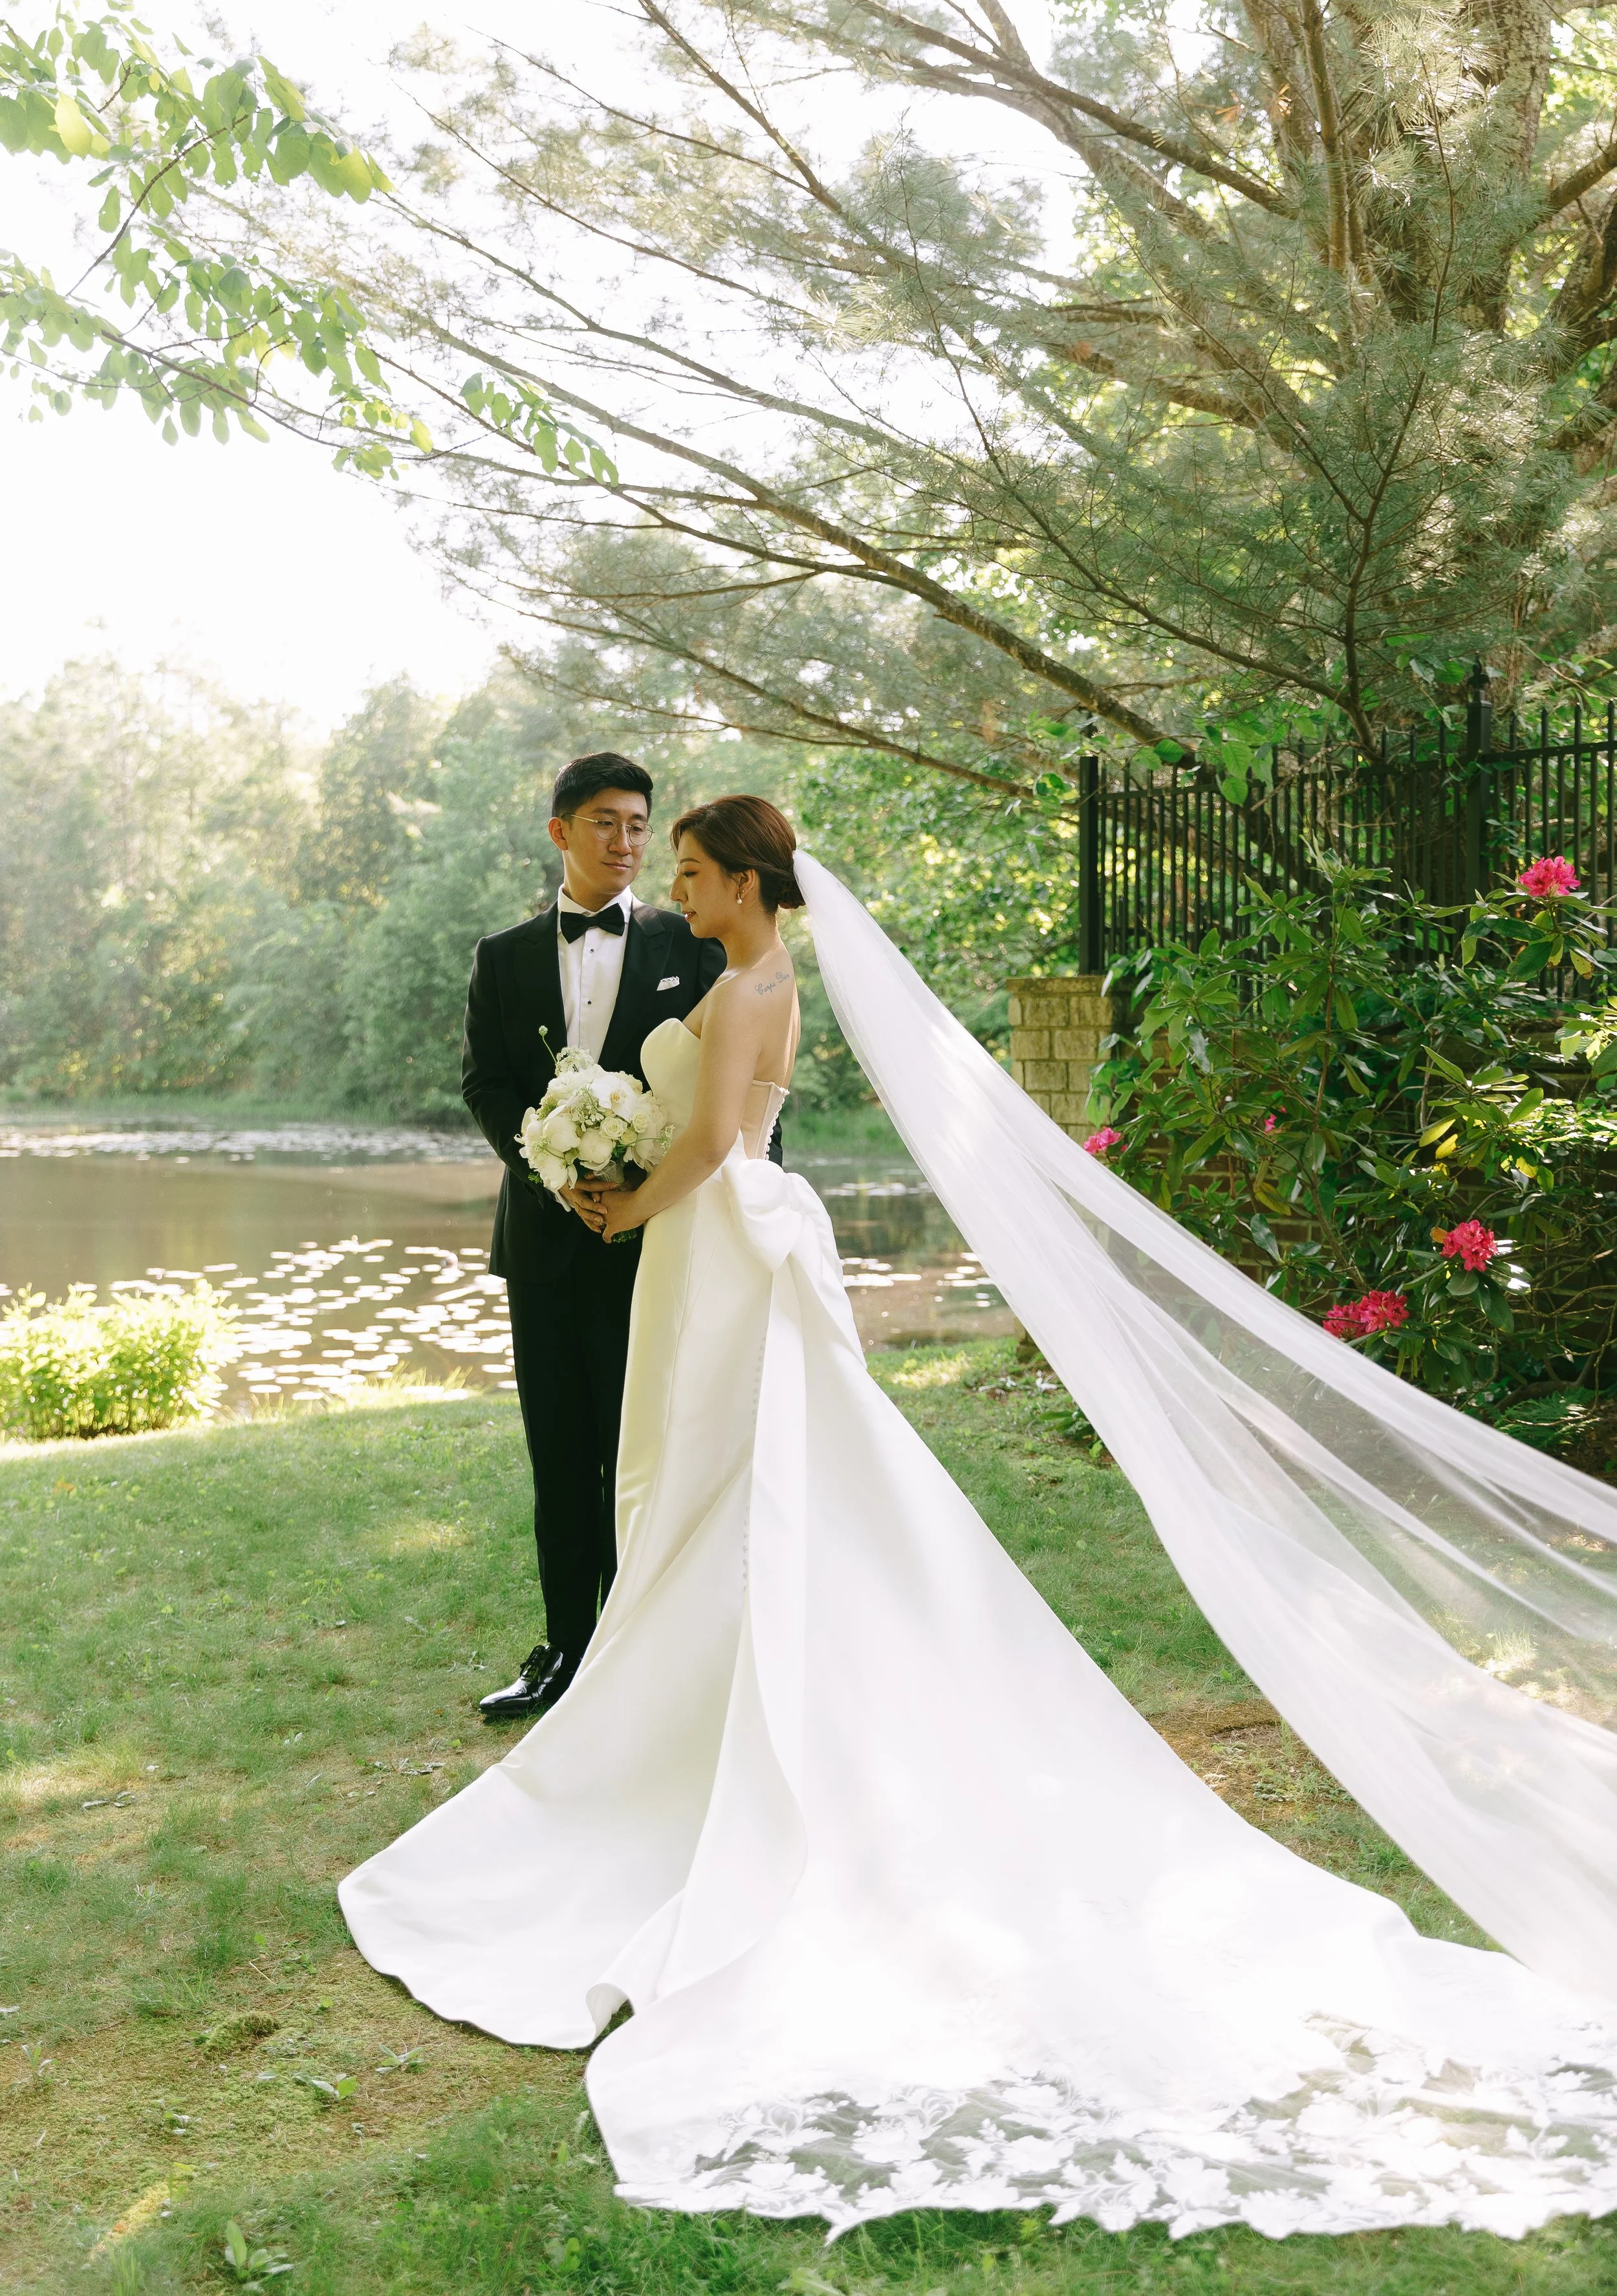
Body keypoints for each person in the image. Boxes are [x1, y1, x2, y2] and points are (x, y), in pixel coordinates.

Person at [343, 798, 1617, 2242]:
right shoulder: (735, 976)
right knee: (714, 1493)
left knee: (754, 1487)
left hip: (714, 1240)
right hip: (713, 1252)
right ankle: (700, 1699)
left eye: (694, 870)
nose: (676, 886)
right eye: (672, 869)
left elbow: (709, 1143)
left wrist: (621, 1206)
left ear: (749, 884)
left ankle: (769, 1710)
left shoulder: (756, 988)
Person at [461, 754, 776, 1726]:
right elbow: (485, 1086)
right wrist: (554, 1165)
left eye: (640, 824)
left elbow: (739, 1094)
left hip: (661, 1244)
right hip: (545, 1247)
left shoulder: (703, 939)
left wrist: (698, 1202)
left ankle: (638, 1650)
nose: (628, 842)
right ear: (561, 831)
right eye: (606, 822)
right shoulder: (502, 956)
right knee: (559, 1454)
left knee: (649, 1450)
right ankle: (562, 1648)